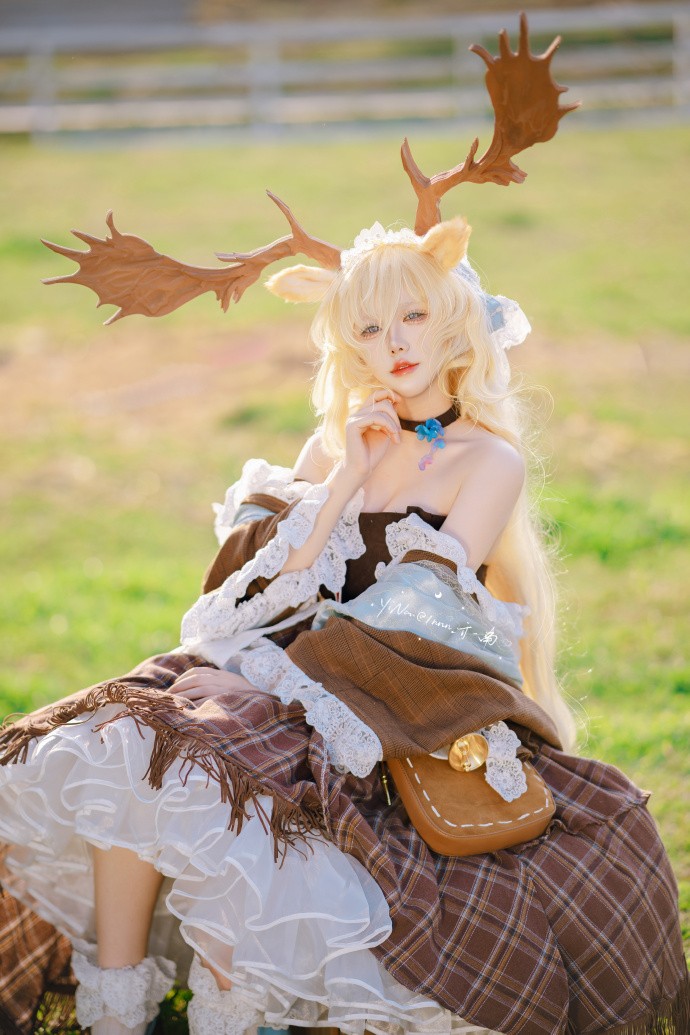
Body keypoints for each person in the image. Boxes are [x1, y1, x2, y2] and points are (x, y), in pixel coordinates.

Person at [0, 216, 687, 1035]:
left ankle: (234, 1015)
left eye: (412, 316)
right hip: (276, 662)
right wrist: (346, 476)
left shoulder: (487, 460)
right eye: (367, 326)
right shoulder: (333, 447)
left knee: (221, 767)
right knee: (131, 739)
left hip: (401, 685)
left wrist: (281, 674)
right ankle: (117, 1013)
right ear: (345, 341)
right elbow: (250, 594)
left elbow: (420, 609)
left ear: (453, 317)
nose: (393, 342)